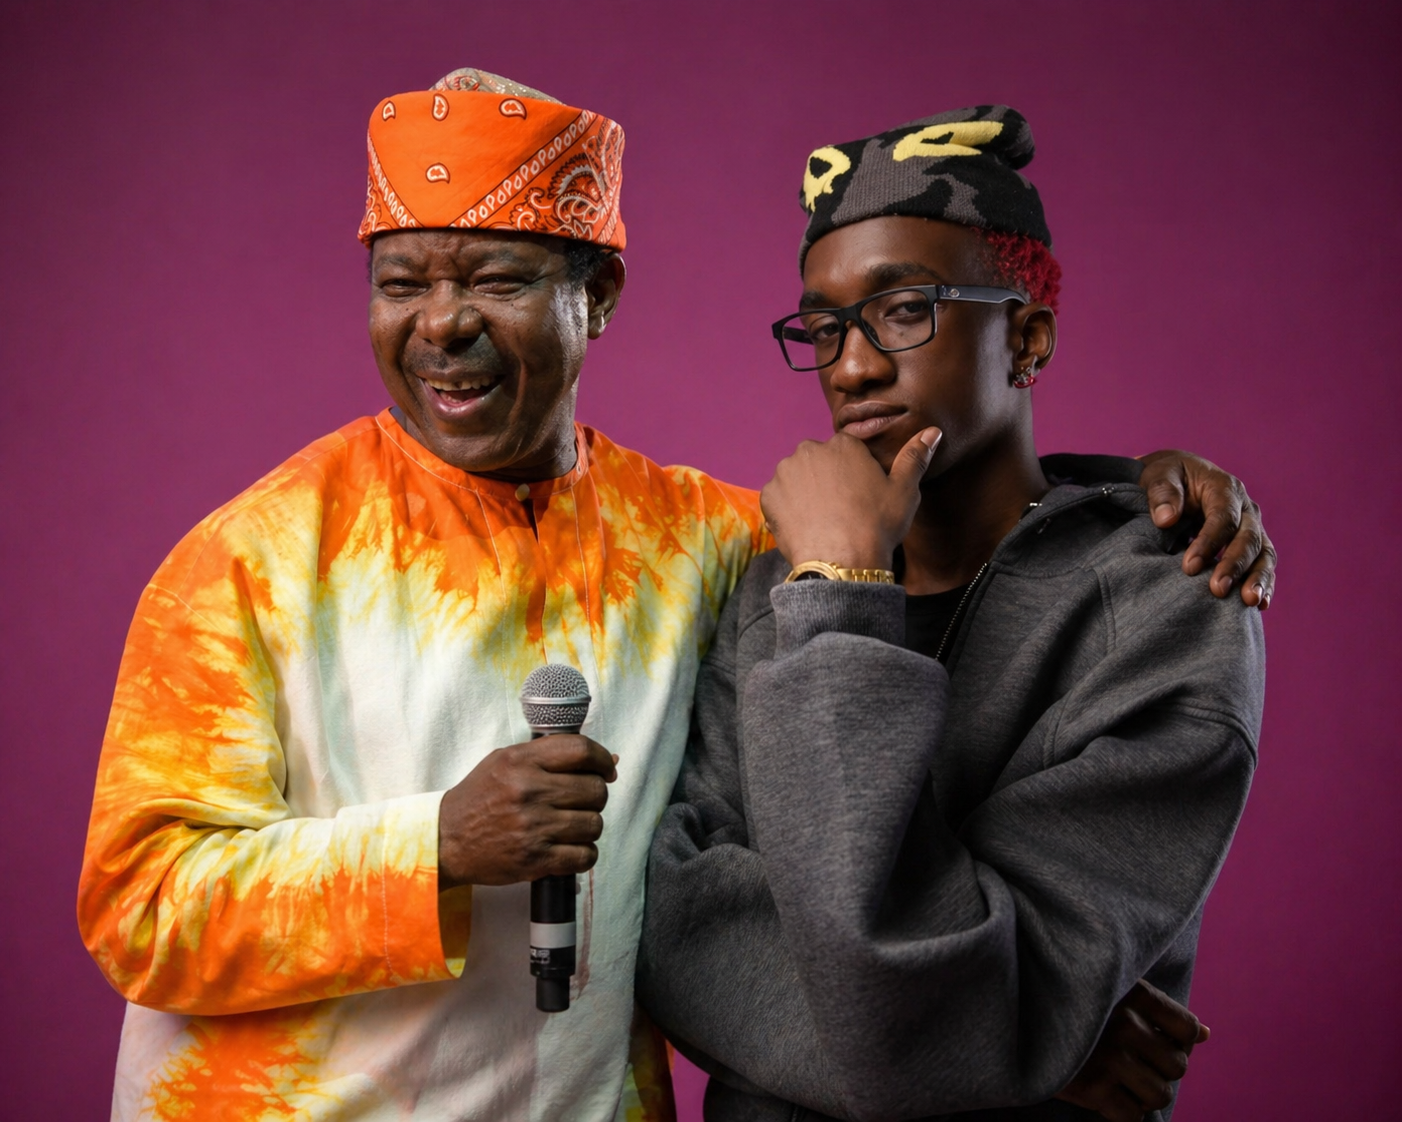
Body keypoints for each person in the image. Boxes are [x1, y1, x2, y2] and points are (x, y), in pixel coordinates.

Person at [77, 74, 1270, 1122]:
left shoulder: (703, 542)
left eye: (495, 278)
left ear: (597, 296)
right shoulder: (254, 559)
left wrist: (1141, 490)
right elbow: (138, 905)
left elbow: (928, 532)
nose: (441, 323)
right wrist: (433, 847)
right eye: (402, 282)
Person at [637, 106, 1264, 1122]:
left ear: (1026, 337)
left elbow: (932, 1003)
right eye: (825, 327)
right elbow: (670, 931)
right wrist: (1004, 1039)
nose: (851, 367)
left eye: (902, 310)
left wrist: (842, 598)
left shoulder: (1161, 602)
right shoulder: (775, 591)